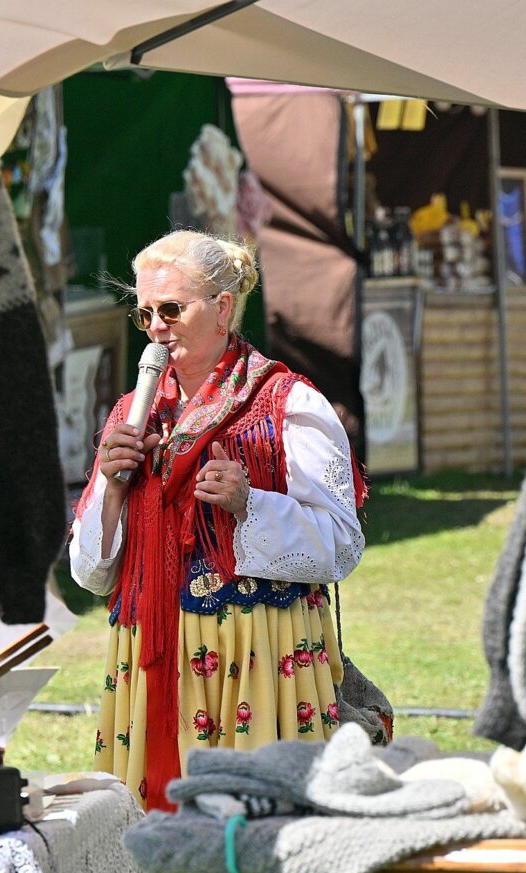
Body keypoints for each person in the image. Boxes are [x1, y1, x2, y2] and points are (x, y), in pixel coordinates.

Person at [71, 230, 365, 811]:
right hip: (152, 661)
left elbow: (342, 545)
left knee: (252, 829)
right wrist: (112, 489)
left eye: (172, 309)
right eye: (145, 314)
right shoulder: (133, 414)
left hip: (256, 656)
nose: (157, 328)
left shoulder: (287, 404)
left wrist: (250, 504)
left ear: (223, 308)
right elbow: (92, 573)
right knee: (157, 828)